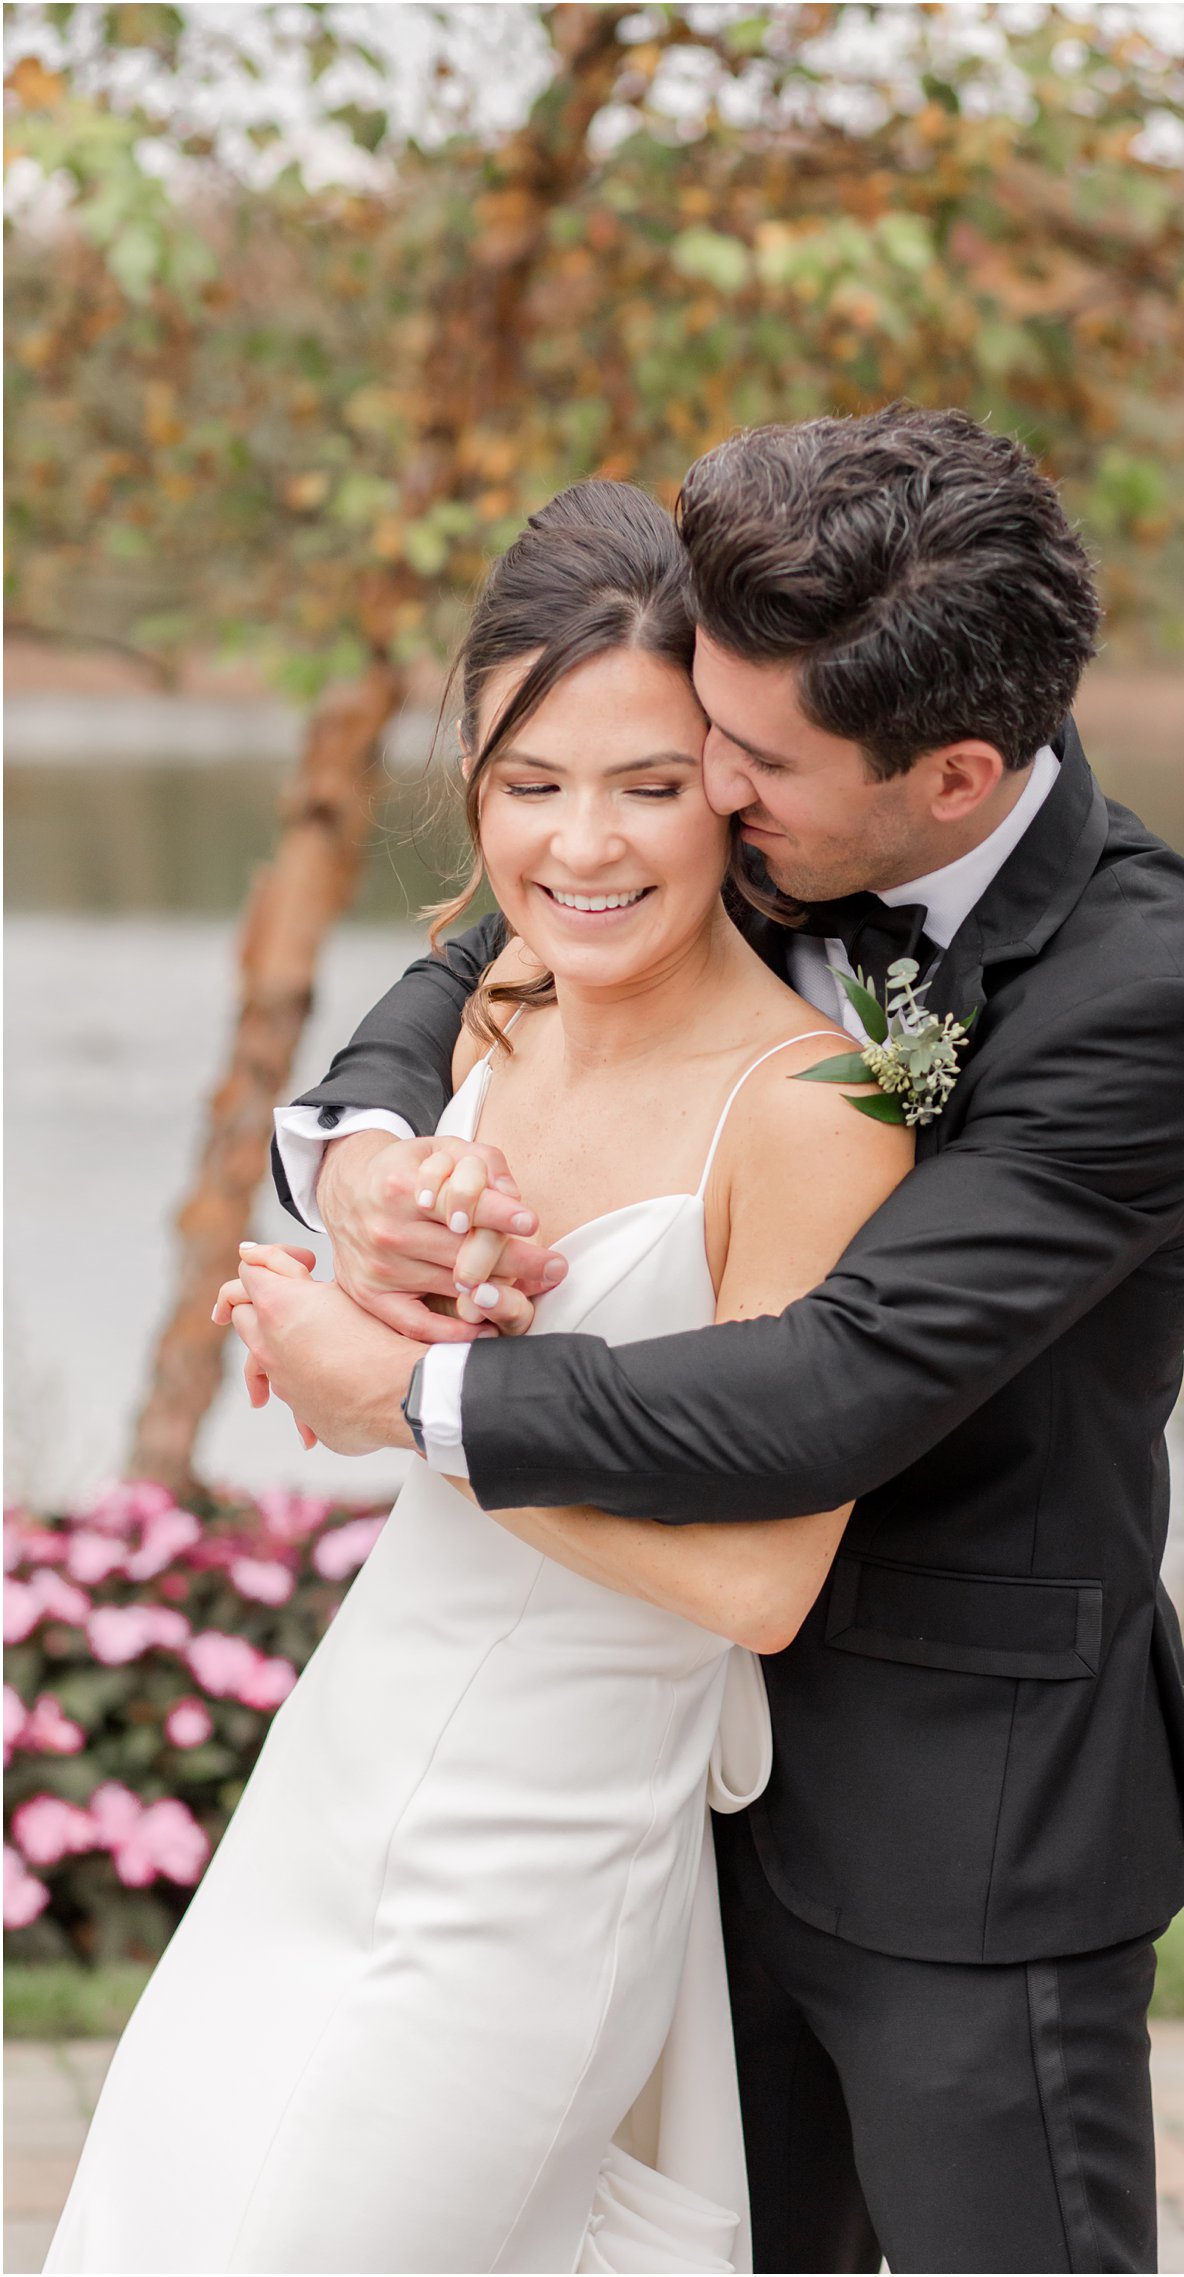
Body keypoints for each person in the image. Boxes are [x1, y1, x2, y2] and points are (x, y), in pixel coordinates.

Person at [231, 406, 1184, 2275]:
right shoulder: (785, 787)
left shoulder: (1141, 995)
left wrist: (408, 1392)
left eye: (738, 758)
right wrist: (366, 1155)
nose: (697, 783)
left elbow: (831, 1386)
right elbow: (483, 954)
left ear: (954, 778)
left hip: (965, 1823)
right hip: (650, 1809)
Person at [44, 482, 911, 2276]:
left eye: (648, 785)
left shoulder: (814, 1111)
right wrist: (386, 1233)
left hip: (542, 1848)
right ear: (474, 779)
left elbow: (763, 1580)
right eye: (531, 783)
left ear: (734, 788)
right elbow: (406, 1274)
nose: (582, 845)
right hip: (348, 1762)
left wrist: (397, 1404)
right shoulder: (504, 1003)